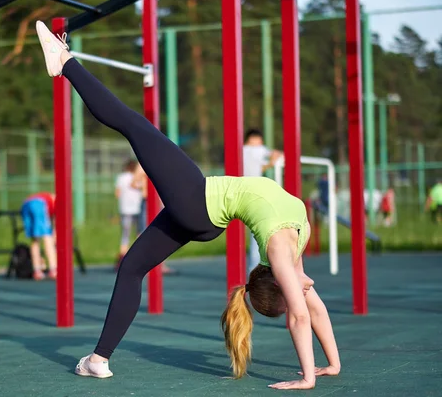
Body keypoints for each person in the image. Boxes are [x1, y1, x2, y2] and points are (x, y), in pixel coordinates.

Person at [36, 21, 340, 390]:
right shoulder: (295, 246)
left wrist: (308, 378)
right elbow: (313, 309)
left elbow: (299, 317)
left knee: (134, 125)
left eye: (293, 291)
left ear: (278, 281)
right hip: (204, 218)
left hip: (198, 201)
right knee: (132, 268)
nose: (304, 292)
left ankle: (64, 63)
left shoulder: (280, 249)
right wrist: (333, 366)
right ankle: (98, 359)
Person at [243, 129, 283, 274]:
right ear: (255, 138)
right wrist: (272, 162)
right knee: (257, 229)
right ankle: (255, 267)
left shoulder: (241, 150)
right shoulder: (258, 150)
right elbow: (277, 155)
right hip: (253, 193)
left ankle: (254, 266)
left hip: (238, 190)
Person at [20, 191, 58, 280]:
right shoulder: (59, 203)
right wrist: (53, 243)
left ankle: (37, 270)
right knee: (47, 237)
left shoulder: (49, 198)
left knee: (34, 239)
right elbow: (56, 229)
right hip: (39, 204)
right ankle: (53, 269)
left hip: (26, 204)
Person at [114, 159, 144, 269]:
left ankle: (122, 258)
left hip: (125, 209)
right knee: (139, 233)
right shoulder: (138, 176)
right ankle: (138, 258)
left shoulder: (121, 177)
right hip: (137, 209)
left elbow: (117, 193)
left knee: (125, 235)